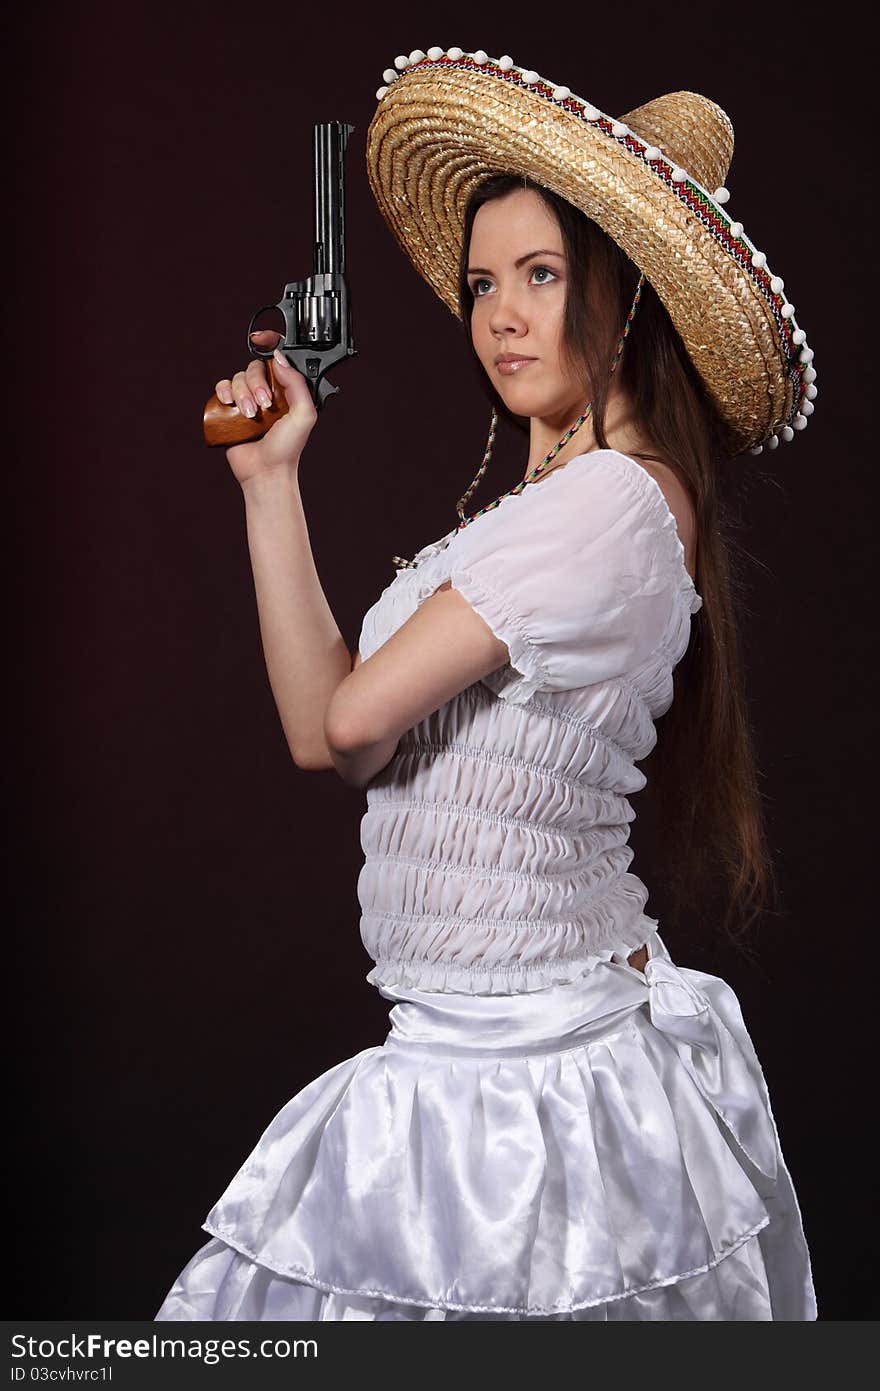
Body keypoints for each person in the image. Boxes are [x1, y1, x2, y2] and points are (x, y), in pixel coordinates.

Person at [155, 49, 818, 1320]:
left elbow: (348, 715)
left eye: (542, 275)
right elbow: (331, 738)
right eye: (478, 285)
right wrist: (270, 481)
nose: (499, 314)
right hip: (471, 1049)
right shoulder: (541, 512)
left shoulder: (616, 505)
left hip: (527, 1080)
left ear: (625, 293)